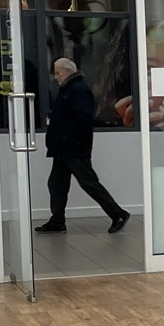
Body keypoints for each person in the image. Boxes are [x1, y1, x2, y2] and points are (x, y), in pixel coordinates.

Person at [38, 57, 130, 234]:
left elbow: (83, 120)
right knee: (56, 184)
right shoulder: (68, 90)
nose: (55, 77)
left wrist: (68, 140)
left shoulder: (78, 90)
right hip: (63, 149)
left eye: (58, 73)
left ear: (68, 72)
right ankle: (57, 221)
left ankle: (118, 213)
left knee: (88, 183)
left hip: (73, 148)